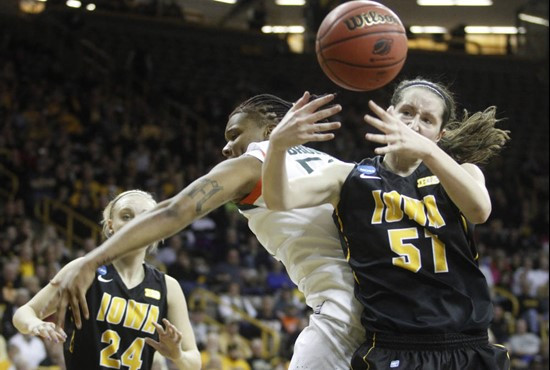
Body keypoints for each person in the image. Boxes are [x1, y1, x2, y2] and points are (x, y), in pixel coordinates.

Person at [45, 94, 365, 369]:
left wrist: (90, 261)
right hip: (389, 301)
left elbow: (175, 210)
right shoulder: (334, 164)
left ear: (270, 130)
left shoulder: (254, 162)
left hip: (340, 311)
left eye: (234, 134)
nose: (226, 148)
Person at [261, 80, 511, 369]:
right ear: (390, 113)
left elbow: (480, 210)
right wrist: (278, 145)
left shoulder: (462, 174)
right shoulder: (347, 178)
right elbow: (277, 199)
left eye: (427, 120)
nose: (413, 125)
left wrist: (429, 153)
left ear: (440, 134)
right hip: (395, 346)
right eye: (406, 112)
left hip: (465, 346)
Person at [13, 190, 201, 370]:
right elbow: (24, 312)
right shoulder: (84, 270)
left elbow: (194, 361)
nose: (136, 223)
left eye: (146, 217)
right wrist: (35, 324)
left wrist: (178, 356)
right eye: (126, 216)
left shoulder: (168, 286)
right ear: (110, 225)